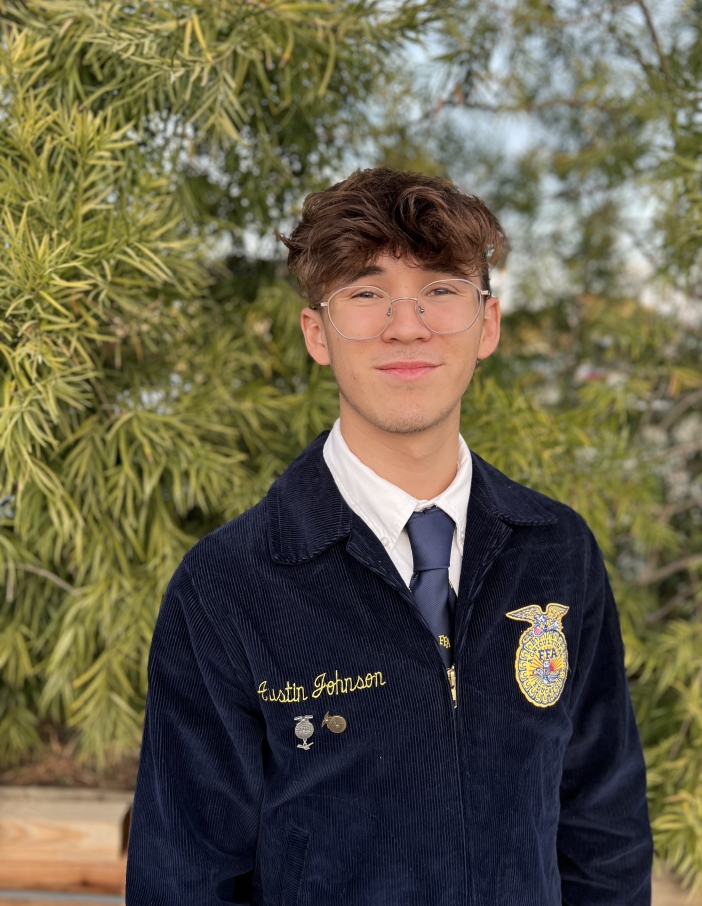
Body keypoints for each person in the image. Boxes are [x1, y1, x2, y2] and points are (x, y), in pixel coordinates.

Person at [126, 167, 653, 906]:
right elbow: (185, 880)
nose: (407, 325)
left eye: (441, 289)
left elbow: (605, 831)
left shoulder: (559, 551)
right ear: (318, 332)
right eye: (367, 294)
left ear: (487, 324)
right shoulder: (228, 587)